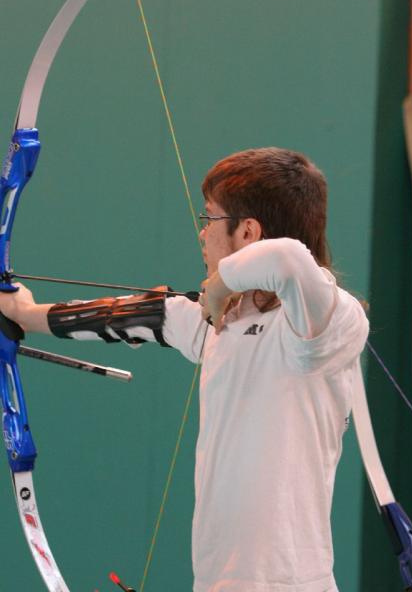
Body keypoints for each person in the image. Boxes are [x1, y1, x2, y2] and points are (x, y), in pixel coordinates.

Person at [0, 147, 369, 592]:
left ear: (248, 231)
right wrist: (24, 315)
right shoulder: (226, 321)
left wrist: (220, 286)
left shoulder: (326, 323)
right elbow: (139, 315)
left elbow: (287, 260)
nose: (202, 232)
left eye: (209, 218)